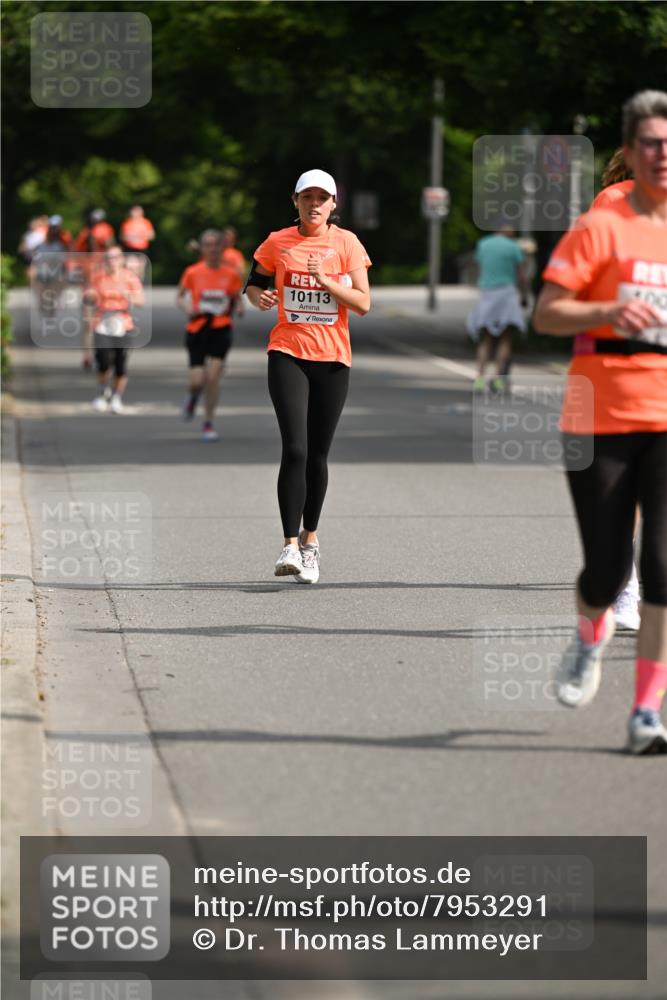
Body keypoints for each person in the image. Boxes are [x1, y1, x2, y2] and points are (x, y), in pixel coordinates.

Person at [533, 89, 667, 754]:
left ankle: (646, 712)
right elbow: (547, 315)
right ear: (628, 149)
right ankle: (587, 640)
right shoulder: (602, 222)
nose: (662, 153)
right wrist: (609, 310)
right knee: (605, 569)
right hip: (600, 408)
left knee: (664, 566)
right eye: (650, 141)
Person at [245, 168, 371, 584]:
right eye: (307, 197)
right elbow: (255, 282)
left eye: (322, 198)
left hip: (333, 358)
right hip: (287, 352)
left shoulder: (346, 243)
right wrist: (257, 296)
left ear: (334, 204)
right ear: (295, 201)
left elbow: (363, 303)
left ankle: (311, 539)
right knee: (295, 448)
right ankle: (289, 545)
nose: (314, 204)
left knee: (318, 454)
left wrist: (325, 283)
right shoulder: (278, 241)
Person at [177, 229, 244, 441]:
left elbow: (237, 298)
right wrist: (187, 308)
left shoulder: (231, 274)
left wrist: (240, 308)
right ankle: (192, 397)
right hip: (197, 329)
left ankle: (208, 422)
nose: (213, 249)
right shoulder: (192, 272)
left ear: (222, 248)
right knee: (198, 381)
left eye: (216, 245)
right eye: (208, 244)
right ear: (203, 248)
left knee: (213, 377)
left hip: (221, 328)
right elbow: (180, 297)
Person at [466, 222, 529, 392]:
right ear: (508, 229)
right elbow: (521, 275)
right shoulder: (514, 247)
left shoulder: (483, 244)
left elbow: (479, 269)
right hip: (507, 294)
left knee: (485, 338)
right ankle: (499, 379)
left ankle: (479, 378)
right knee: (505, 338)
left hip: (488, 294)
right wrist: (524, 296)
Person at [85, 246, 144, 413]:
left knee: (120, 363)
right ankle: (103, 392)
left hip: (122, 322)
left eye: (116, 258)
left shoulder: (129, 277)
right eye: (109, 258)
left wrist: (127, 294)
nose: (112, 262)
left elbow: (140, 301)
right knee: (103, 360)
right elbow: (89, 297)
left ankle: (117, 396)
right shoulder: (98, 277)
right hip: (102, 321)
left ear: (121, 260)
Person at [120, 205, 155, 279]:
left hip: (142, 249)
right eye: (134, 211)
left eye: (137, 211)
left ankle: (138, 284)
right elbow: (122, 237)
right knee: (130, 266)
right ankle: (130, 283)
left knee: (140, 269)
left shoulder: (146, 222)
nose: (135, 213)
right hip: (130, 248)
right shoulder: (127, 223)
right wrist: (129, 238)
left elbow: (152, 235)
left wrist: (141, 236)